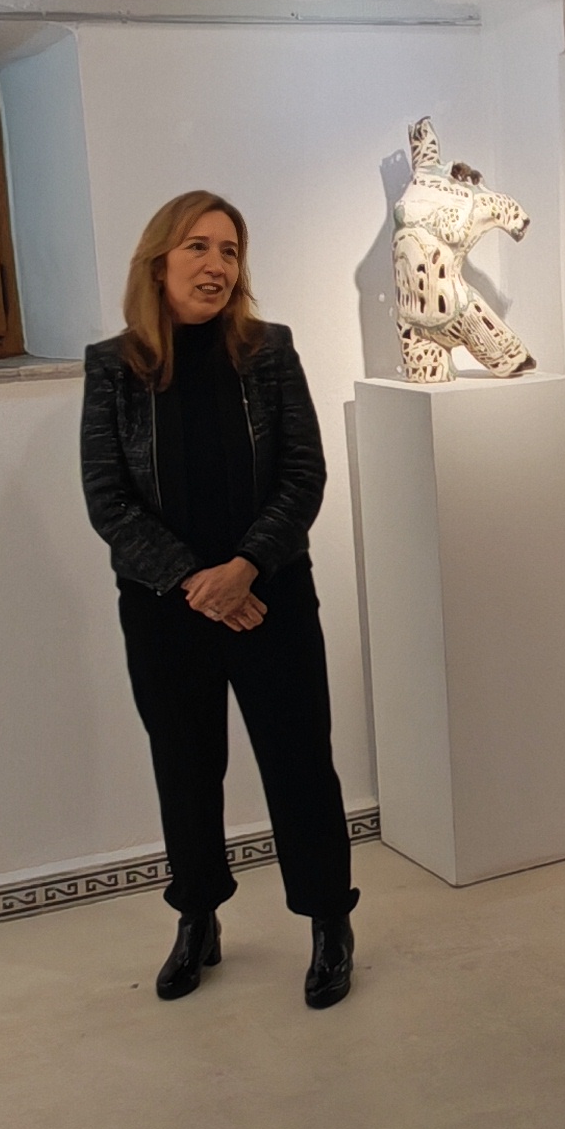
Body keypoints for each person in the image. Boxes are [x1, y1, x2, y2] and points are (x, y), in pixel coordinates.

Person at [78, 191, 360, 1011]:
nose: (216, 266)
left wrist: (243, 568)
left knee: (300, 764)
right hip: (165, 608)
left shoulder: (268, 352)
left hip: (270, 597)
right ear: (158, 262)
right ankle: (196, 918)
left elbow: (303, 474)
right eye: (198, 247)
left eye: (230, 251)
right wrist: (197, 583)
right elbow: (107, 498)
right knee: (186, 768)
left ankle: (329, 923)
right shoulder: (114, 366)